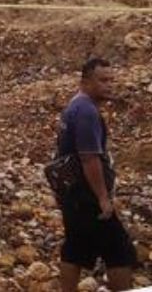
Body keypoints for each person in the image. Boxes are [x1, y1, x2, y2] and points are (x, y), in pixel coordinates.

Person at [56, 58, 136, 292]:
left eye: (111, 80)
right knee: (119, 249)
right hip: (86, 193)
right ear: (85, 82)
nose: (109, 85)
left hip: (72, 193)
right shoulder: (87, 111)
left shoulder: (75, 105)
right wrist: (103, 197)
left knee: (75, 246)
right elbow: (89, 158)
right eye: (102, 80)